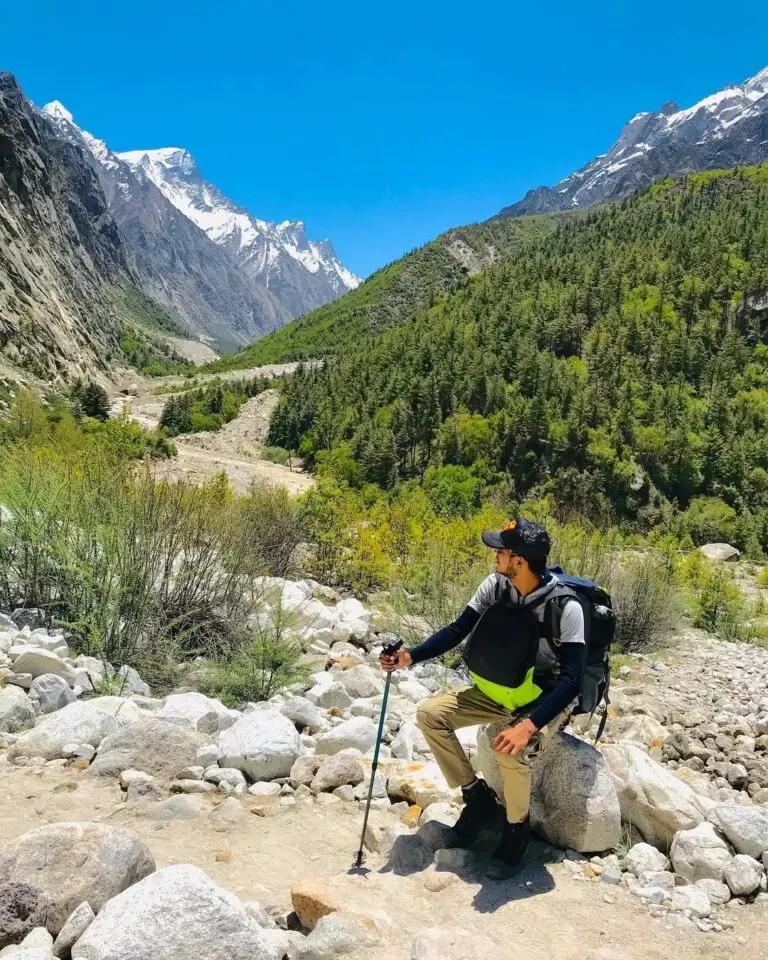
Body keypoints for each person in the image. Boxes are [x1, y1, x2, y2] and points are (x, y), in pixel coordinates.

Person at [380, 517, 585, 879]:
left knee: (510, 747)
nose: (494, 556)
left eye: (500, 551)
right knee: (431, 715)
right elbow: (458, 630)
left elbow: (572, 680)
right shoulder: (495, 586)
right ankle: (478, 799)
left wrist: (528, 726)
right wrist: (410, 656)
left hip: (540, 700)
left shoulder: (566, 608)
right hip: (496, 692)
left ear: (518, 561)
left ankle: (516, 830)